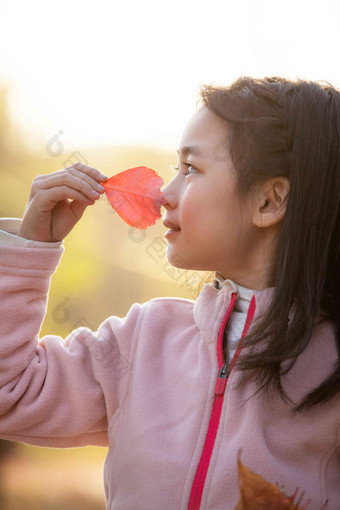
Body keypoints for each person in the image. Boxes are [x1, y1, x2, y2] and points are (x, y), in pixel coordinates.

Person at [0, 76, 339, 510]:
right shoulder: (142, 341)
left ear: (269, 202)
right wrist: (31, 249)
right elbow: (10, 392)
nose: (164, 194)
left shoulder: (331, 369)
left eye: (190, 169)